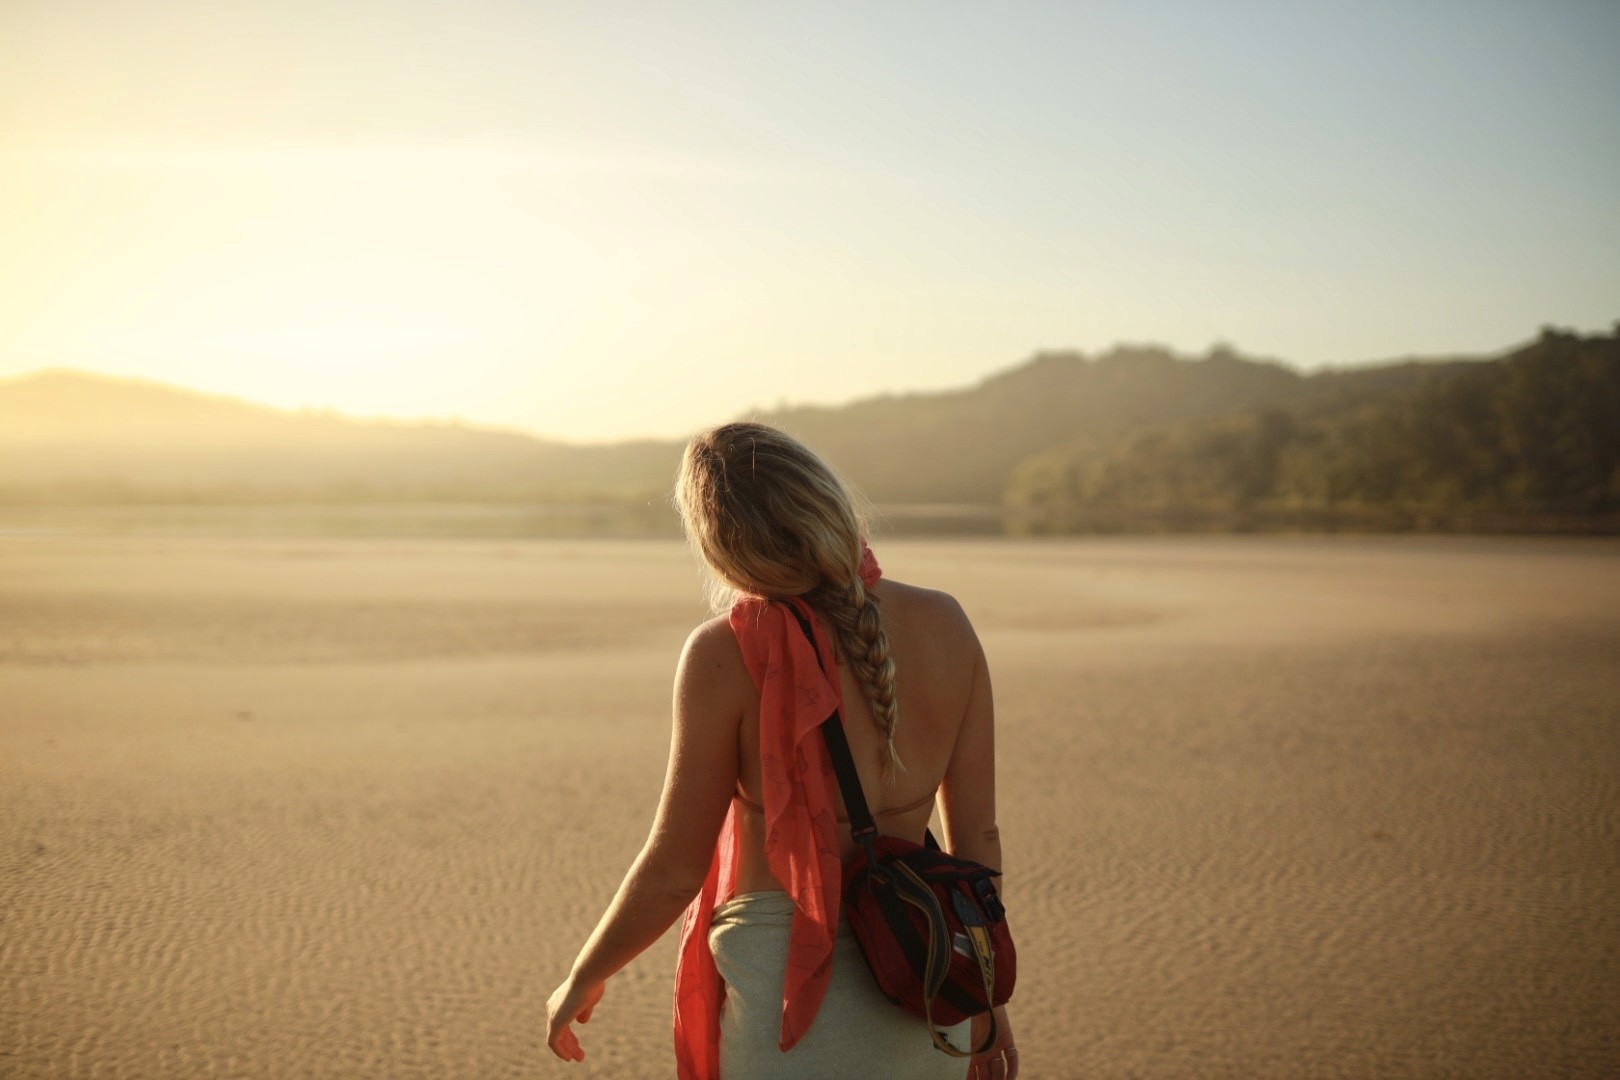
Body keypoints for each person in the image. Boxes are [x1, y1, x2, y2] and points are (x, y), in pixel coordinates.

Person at [545, 422, 1017, 1080]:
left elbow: (675, 869)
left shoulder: (722, 656)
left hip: (790, 1005)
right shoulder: (945, 622)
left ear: (722, 545)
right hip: (930, 987)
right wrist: (985, 1002)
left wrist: (584, 974)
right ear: (829, 504)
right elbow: (977, 841)